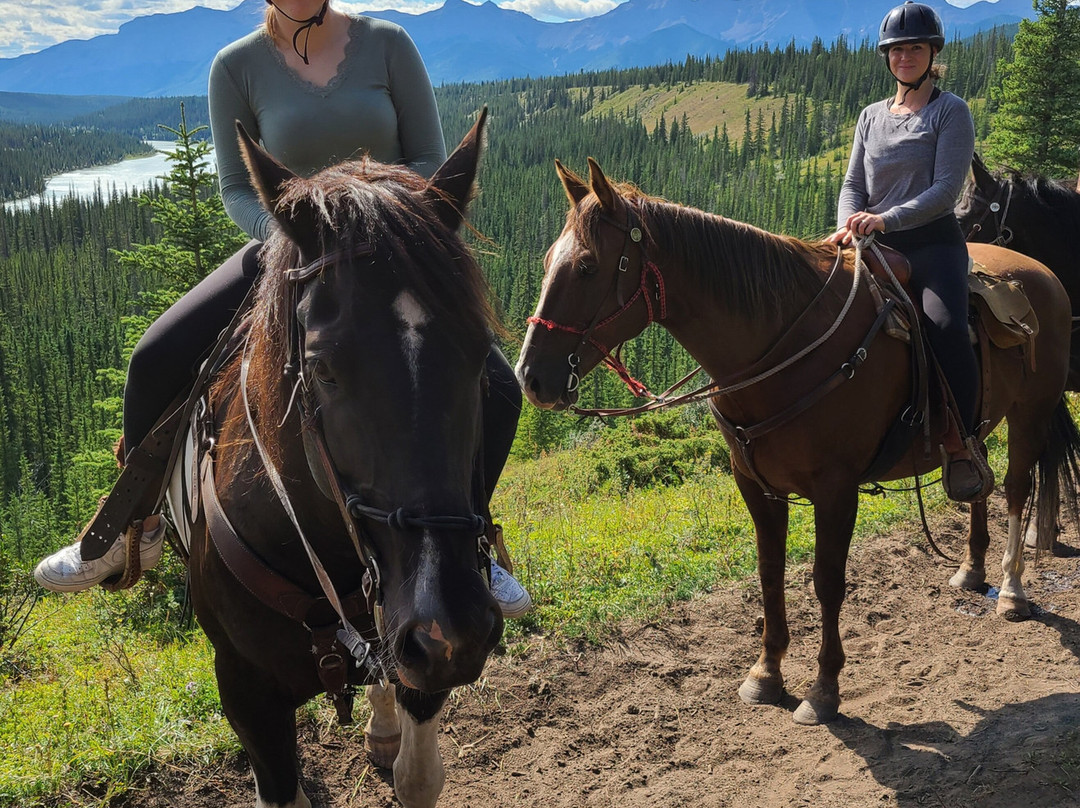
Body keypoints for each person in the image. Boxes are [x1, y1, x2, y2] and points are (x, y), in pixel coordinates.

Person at [34, 0, 532, 618]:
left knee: (499, 390)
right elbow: (237, 188)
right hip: (288, 250)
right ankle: (136, 528)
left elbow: (428, 158)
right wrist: (292, 243)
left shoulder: (388, 44)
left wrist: (378, 225)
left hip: (389, 255)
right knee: (153, 357)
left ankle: (471, 542)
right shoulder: (235, 67)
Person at [826, 1, 992, 502]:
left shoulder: (950, 111)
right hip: (872, 243)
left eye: (914, 48)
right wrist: (846, 227)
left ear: (931, 53)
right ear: (887, 57)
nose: (904, 57)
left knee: (945, 326)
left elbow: (945, 191)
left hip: (932, 245)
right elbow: (853, 183)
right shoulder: (871, 116)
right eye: (897, 49)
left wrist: (885, 218)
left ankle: (961, 445)